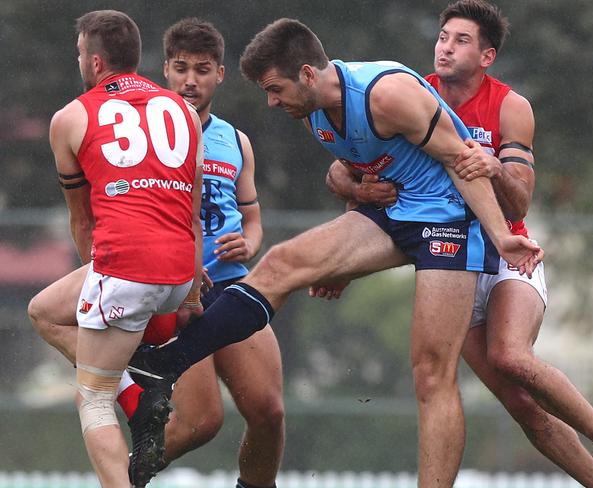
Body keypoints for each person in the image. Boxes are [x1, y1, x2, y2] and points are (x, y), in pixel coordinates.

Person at [126, 17, 542, 488]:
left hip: (450, 218)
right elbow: (353, 171)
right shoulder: (310, 110)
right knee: (282, 264)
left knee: (431, 374)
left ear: (307, 74)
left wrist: (501, 234)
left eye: (276, 89)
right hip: (396, 212)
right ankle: (165, 366)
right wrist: (342, 258)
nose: (271, 101)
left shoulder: (387, 93)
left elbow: (461, 160)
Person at [321, 2, 593, 487]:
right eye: (442, 37)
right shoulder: (410, 94)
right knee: (522, 408)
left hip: (507, 253)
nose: (445, 47)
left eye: (461, 40)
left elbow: (519, 201)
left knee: (510, 355)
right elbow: (339, 168)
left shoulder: (510, 106)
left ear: (487, 56)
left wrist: (496, 167)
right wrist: (357, 190)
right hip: (450, 264)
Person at [28, 18, 285, 488]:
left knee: (268, 412)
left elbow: (249, 216)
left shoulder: (233, 139)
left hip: (213, 279)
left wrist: (250, 240)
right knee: (199, 421)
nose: (190, 80)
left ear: (220, 74)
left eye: (202, 70)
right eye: (181, 68)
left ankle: (132, 431)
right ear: (163, 70)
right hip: (178, 275)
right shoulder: (174, 117)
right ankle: (132, 449)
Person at [43, 10, 203, 488]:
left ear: (94, 62)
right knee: (44, 310)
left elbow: (82, 221)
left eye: (78, 54)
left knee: (91, 396)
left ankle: (131, 401)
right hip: (178, 272)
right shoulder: (184, 110)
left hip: (126, 269)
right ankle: (139, 386)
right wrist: (191, 295)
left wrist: (106, 286)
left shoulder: (70, 117)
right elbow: (193, 215)